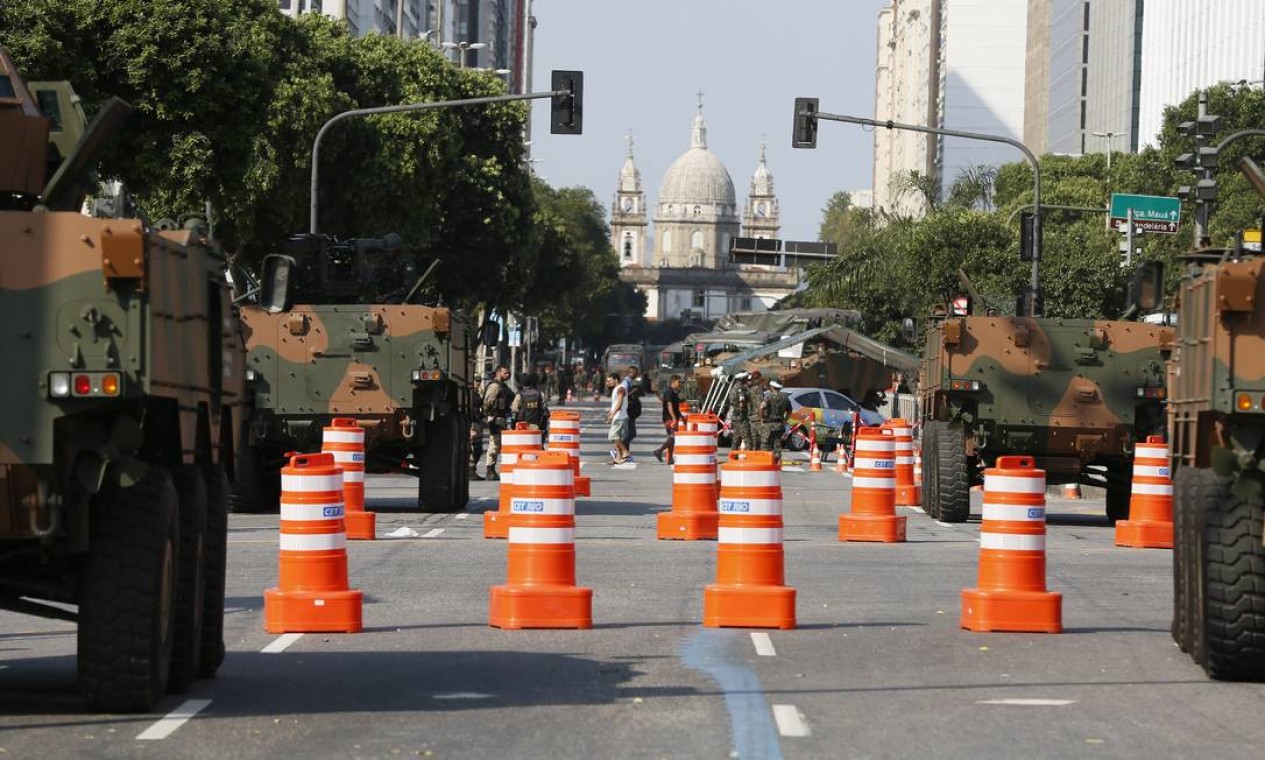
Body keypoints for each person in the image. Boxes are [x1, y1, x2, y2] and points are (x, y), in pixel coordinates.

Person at [481, 365, 513, 480]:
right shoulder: (495, 386)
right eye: (505, 373)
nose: (508, 375)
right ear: (498, 373)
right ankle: (490, 470)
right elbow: (487, 401)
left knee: (500, 444)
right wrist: (490, 414)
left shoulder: (503, 386)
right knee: (494, 443)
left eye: (508, 373)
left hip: (503, 417)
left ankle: (494, 469)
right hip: (496, 417)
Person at [511, 371, 550, 444]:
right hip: (536, 426)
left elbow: (514, 412)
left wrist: (513, 426)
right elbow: (546, 412)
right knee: (537, 447)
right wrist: (543, 426)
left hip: (522, 426)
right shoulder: (540, 394)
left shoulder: (520, 395)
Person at [653, 374, 683, 464]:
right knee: (673, 438)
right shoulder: (669, 392)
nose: (680, 383)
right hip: (669, 419)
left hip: (673, 418)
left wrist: (681, 417)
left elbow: (676, 407)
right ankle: (659, 451)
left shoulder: (673, 392)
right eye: (679, 382)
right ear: (673, 382)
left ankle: (669, 459)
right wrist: (674, 418)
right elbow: (669, 405)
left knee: (671, 439)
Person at [758, 380, 792, 457]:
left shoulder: (769, 396)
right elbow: (790, 410)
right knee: (777, 443)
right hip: (779, 424)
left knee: (765, 443)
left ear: (772, 387)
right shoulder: (785, 398)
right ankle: (777, 461)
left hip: (768, 424)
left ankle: (765, 459)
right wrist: (785, 420)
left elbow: (761, 407)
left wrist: (762, 418)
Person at [605, 372, 630, 464]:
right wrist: (610, 413)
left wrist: (613, 414)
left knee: (613, 436)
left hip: (620, 417)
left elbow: (619, 403)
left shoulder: (620, 389)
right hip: (618, 416)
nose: (608, 382)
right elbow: (616, 403)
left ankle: (625, 452)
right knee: (616, 438)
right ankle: (618, 458)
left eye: (610, 380)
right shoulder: (617, 389)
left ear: (616, 380)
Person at [727, 373, 753, 450]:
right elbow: (741, 403)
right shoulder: (741, 389)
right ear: (742, 379)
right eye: (745, 378)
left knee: (736, 439)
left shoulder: (732, 388)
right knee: (747, 438)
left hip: (735, 416)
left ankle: (733, 456)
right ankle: (749, 457)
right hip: (741, 417)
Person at [622, 366, 643, 458]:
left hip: (631, 411)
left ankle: (625, 453)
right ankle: (621, 448)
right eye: (634, 373)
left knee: (629, 433)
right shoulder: (626, 382)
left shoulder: (630, 382)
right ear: (629, 373)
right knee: (631, 433)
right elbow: (623, 395)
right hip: (628, 411)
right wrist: (633, 392)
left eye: (636, 373)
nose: (636, 374)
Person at [468, 377, 485, 480]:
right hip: (472, 422)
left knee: (478, 448)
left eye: (479, 381)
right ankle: (470, 471)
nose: (478, 383)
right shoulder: (469, 394)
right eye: (476, 380)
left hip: (478, 421)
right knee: (473, 447)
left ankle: (472, 470)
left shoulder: (477, 393)